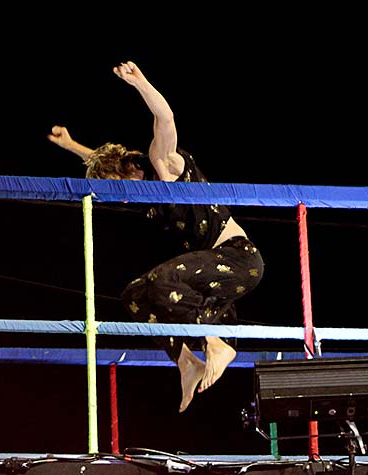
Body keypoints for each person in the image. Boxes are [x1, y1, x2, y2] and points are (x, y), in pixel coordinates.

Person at [47, 60, 264, 413]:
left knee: (164, 279)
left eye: (118, 188)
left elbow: (166, 119)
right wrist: (72, 146)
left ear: (132, 171)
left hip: (239, 258)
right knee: (135, 293)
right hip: (209, 278)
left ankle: (215, 343)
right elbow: (105, 163)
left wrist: (140, 82)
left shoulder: (164, 164)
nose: (121, 199)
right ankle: (186, 363)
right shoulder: (139, 189)